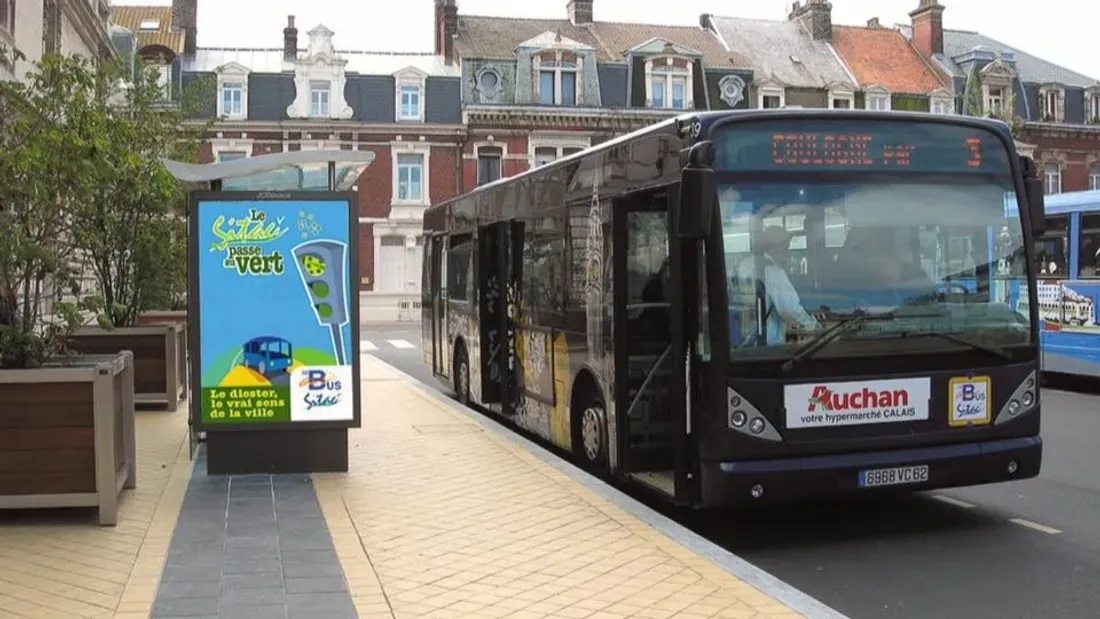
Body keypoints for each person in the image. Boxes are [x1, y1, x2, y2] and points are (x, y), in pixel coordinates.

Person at [735, 225, 819, 345]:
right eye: (785, 248)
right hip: (768, 344)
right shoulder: (773, 272)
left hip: (744, 339)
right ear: (776, 247)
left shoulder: (744, 264)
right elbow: (789, 311)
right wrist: (814, 326)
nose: (787, 253)